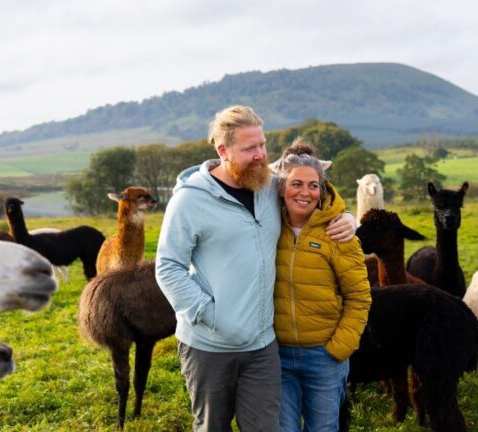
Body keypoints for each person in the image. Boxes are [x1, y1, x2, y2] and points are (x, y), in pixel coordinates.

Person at [155, 105, 357, 432]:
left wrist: (349, 218)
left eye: (262, 145)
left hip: (262, 348)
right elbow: (168, 266)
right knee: (212, 427)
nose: (261, 155)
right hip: (209, 346)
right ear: (223, 151)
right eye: (250, 148)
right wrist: (209, 314)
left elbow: (311, 195)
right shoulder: (190, 200)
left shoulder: (268, 186)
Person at [272, 140, 371, 432]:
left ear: (322, 189)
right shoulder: (267, 228)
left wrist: (338, 348)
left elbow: (359, 297)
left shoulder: (339, 233)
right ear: (281, 187)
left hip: (324, 356)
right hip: (277, 355)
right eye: (297, 184)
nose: (305, 193)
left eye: (313, 185)